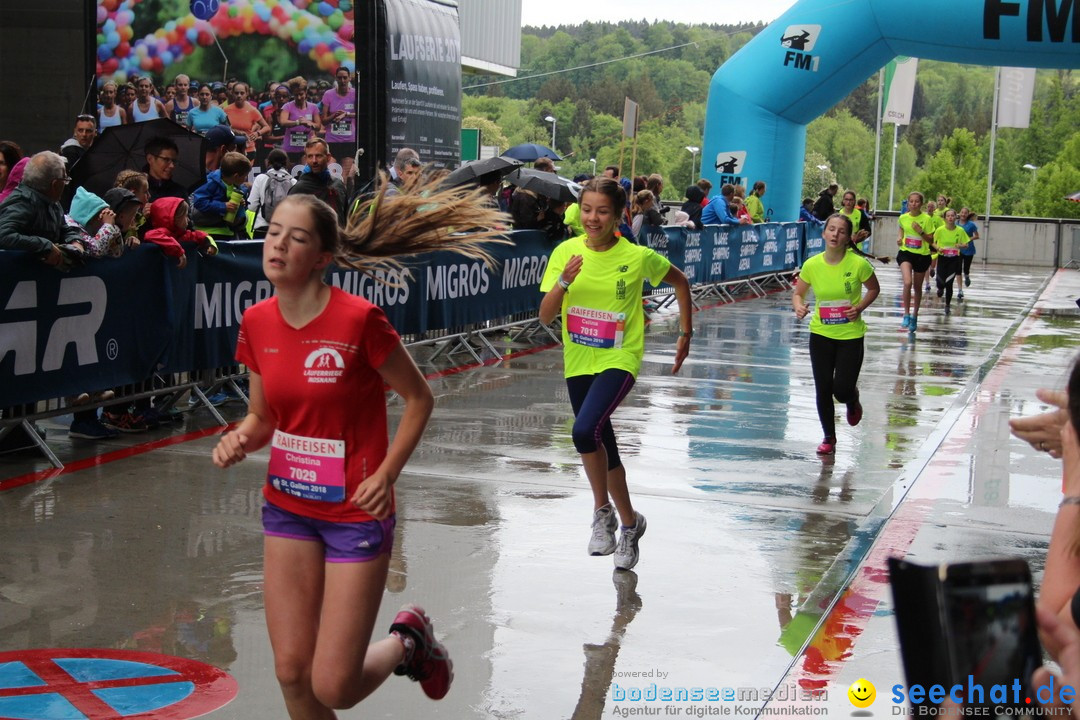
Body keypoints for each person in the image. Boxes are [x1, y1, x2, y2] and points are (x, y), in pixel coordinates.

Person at [210, 175, 509, 718]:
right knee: (291, 675)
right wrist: (238, 439)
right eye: (274, 232)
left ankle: (408, 642)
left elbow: (419, 399)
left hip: (355, 511)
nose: (278, 245)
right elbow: (263, 417)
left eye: (296, 238)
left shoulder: (359, 320)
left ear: (323, 256)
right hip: (289, 508)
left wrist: (387, 475)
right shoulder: (255, 321)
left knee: (335, 687)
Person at [538, 176, 692, 571]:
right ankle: (630, 524)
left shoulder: (637, 256)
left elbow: (681, 281)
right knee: (599, 438)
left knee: (582, 431)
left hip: (619, 358)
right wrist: (563, 282)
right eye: (587, 209)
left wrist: (685, 333)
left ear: (619, 214)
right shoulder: (566, 253)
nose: (593, 218)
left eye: (602, 211)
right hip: (578, 360)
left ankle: (600, 512)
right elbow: (545, 316)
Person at [792, 214, 880, 455]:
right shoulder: (812, 264)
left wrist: (859, 307)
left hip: (850, 335)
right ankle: (828, 437)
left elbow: (874, 288)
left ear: (847, 238)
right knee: (823, 387)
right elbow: (798, 293)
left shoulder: (858, 264)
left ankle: (852, 399)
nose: (835, 234)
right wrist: (798, 306)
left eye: (841, 231)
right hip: (821, 333)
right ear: (823, 233)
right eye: (831, 229)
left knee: (841, 390)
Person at [0, 151, 84, 269]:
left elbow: (63, 228)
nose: (65, 184)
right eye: (64, 179)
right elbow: (2, 235)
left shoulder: (53, 202)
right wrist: (44, 245)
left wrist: (75, 242)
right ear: (55, 184)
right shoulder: (23, 202)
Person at [895, 191, 935, 333]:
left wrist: (920, 231)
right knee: (907, 282)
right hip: (906, 253)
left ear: (921, 204)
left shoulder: (927, 219)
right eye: (911, 201)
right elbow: (901, 233)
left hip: (922, 255)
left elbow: (931, 240)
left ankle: (914, 316)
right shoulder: (903, 218)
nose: (913, 204)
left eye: (916, 201)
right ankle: (906, 314)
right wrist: (899, 239)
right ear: (908, 203)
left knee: (917, 287)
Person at [190, 150, 252, 238]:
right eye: (245, 175)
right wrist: (223, 206)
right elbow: (199, 202)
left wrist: (240, 205)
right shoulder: (211, 182)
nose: (246, 178)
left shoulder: (236, 186)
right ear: (236, 176)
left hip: (228, 231)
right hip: (209, 233)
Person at [143, 197, 218, 268]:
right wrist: (178, 250)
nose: (188, 220)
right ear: (174, 218)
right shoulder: (161, 232)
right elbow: (149, 235)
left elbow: (198, 235)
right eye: (185, 216)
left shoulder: (182, 234)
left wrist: (209, 244)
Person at [289, 138, 347, 226]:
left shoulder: (338, 185)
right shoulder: (298, 190)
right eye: (310, 156)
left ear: (328, 157)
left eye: (318, 156)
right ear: (306, 159)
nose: (314, 161)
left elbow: (345, 218)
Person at [249, 148, 296, 239]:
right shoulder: (293, 182)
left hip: (262, 228)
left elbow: (252, 207)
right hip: (284, 230)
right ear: (286, 163)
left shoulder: (260, 178)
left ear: (268, 162)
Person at [932, 208, 970, 313]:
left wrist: (960, 245)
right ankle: (940, 288)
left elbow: (966, 244)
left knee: (949, 282)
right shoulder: (940, 230)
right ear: (944, 218)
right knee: (940, 281)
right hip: (942, 258)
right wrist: (938, 248)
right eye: (948, 216)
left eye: (952, 216)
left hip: (954, 259)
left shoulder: (960, 231)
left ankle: (947, 305)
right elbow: (932, 242)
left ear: (955, 217)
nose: (950, 218)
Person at [321, 66, 357, 172]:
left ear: (350, 78)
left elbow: (360, 114)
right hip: (332, 141)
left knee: (345, 176)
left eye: (345, 78)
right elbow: (324, 120)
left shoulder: (355, 94)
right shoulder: (328, 94)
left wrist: (346, 114)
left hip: (349, 141)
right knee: (332, 173)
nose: (342, 81)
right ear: (335, 78)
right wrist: (334, 115)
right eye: (340, 78)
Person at [279, 77, 322, 160]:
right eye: (296, 95)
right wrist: (298, 122)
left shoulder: (313, 107)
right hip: (290, 149)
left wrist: (310, 124)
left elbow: (318, 126)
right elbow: (283, 122)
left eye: (301, 94)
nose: (299, 97)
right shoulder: (287, 106)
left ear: (306, 92)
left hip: (307, 148)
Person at [223, 82, 268, 156]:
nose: (239, 95)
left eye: (242, 93)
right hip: (231, 149)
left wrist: (257, 133)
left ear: (247, 94)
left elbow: (266, 127)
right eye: (236, 93)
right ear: (232, 93)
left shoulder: (252, 110)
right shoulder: (226, 110)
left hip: (248, 149)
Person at [143, 136, 187, 202]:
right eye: (166, 160)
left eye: (174, 161)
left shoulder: (179, 192)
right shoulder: (138, 191)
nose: (172, 166)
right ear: (150, 159)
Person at [959, 208, 979, 296]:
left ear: (968, 214)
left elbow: (977, 236)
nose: (963, 214)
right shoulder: (956, 224)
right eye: (962, 212)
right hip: (959, 249)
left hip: (969, 249)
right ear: (959, 213)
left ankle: (967, 276)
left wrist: (968, 239)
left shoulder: (971, 225)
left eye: (965, 213)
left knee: (965, 269)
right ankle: (960, 290)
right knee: (958, 270)